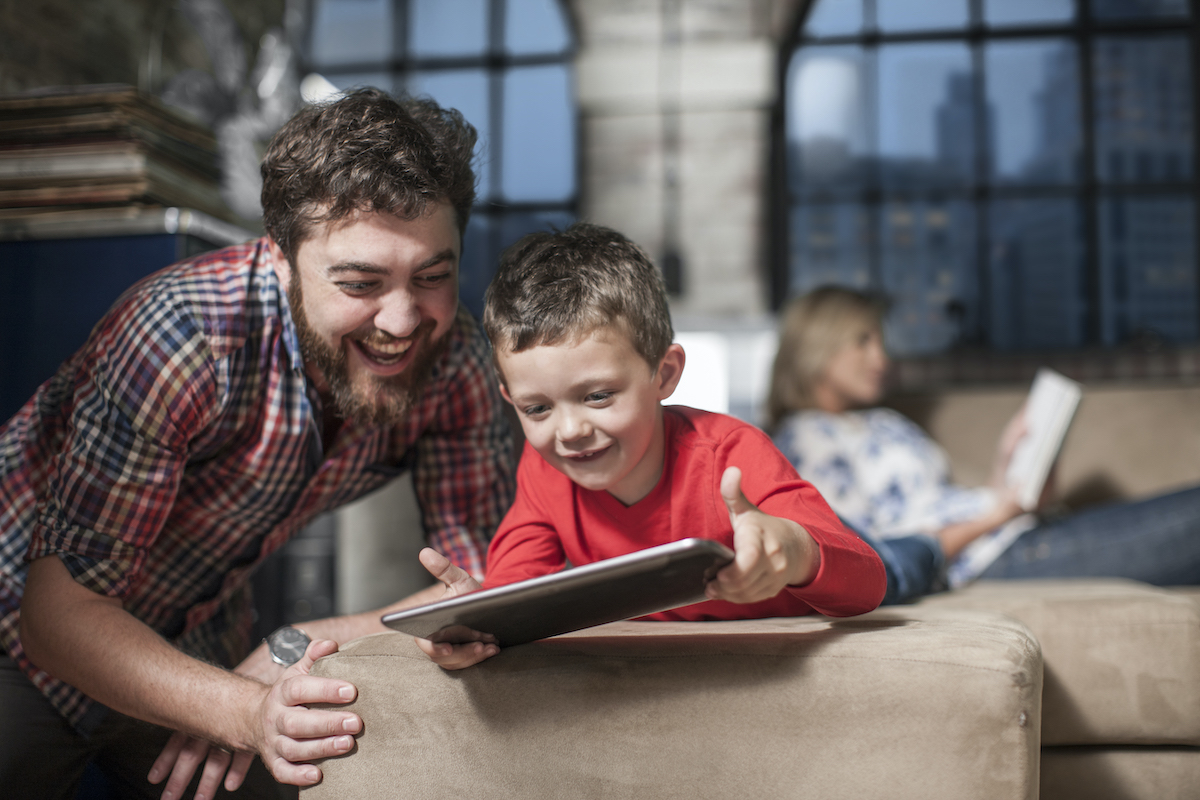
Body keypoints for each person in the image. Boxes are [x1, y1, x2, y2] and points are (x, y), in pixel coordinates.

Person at [1, 87, 516, 799]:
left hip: (197, 636)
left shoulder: (454, 356)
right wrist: (245, 713)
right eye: (361, 282)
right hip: (20, 626)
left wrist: (299, 642)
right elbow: (56, 617)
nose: (403, 321)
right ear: (279, 258)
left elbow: (482, 583)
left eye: (432, 276)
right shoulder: (182, 335)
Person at [411, 223, 886, 670]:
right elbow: (516, 587)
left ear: (665, 374)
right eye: (537, 409)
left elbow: (867, 581)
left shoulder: (730, 453)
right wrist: (475, 618)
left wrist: (792, 549)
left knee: (910, 555)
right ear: (509, 399)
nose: (569, 430)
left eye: (597, 396)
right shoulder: (544, 470)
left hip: (833, 577)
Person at [766, 285, 1200, 599]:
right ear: (816, 348)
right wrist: (999, 514)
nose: (882, 358)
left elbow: (939, 501)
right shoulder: (805, 438)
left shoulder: (878, 419)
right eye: (863, 342)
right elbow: (870, 559)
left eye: (881, 340)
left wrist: (1009, 473)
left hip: (1010, 535)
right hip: (989, 560)